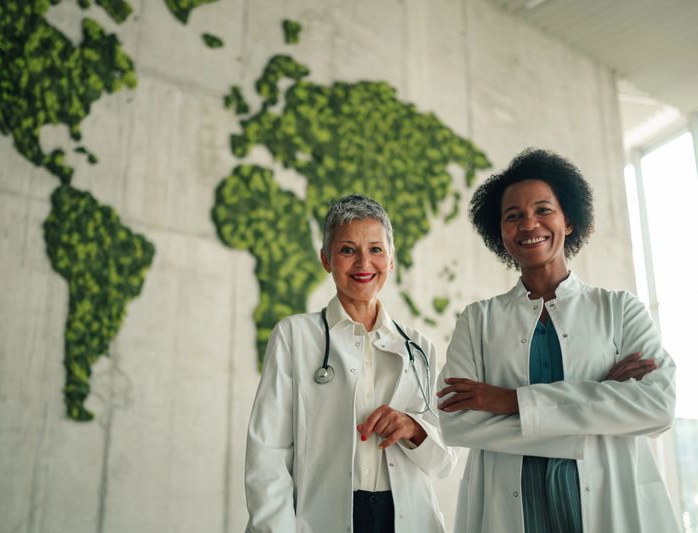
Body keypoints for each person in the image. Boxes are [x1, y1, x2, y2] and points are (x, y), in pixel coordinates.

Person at [436, 148, 678, 533]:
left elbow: (657, 407)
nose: (529, 224)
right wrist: (598, 403)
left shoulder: (619, 309)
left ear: (568, 221)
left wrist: (510, 401)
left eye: (543, 210)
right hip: (513, 512)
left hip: (608, 507)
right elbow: (456, 424)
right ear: (500, 232)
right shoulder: (478, 320)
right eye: (512, 216)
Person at [245, 195, 456, 533]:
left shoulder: (419, 348)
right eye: (347, 250)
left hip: (404, 516)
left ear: (391, 259)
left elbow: (443, 462)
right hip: (322, 516)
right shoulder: (294, 336)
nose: (363, 263)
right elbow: (267, 455)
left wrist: (414, 429)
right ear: (326, 259)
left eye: (376, 250)